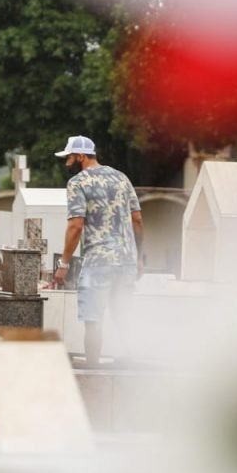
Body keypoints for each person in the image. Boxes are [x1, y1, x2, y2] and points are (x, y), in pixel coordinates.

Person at [51, 135, 143, 367]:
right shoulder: (122, 178)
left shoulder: (78, 183)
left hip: (98, 262)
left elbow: (76, 225)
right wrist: (138, 256)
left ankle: (92, 373)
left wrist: (63, 264)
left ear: (81, 156)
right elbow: (138, 220)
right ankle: (132, 370)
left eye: (69, 157)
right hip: (126, 261)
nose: (67, 163)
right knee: (124, 317)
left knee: (93, 320)